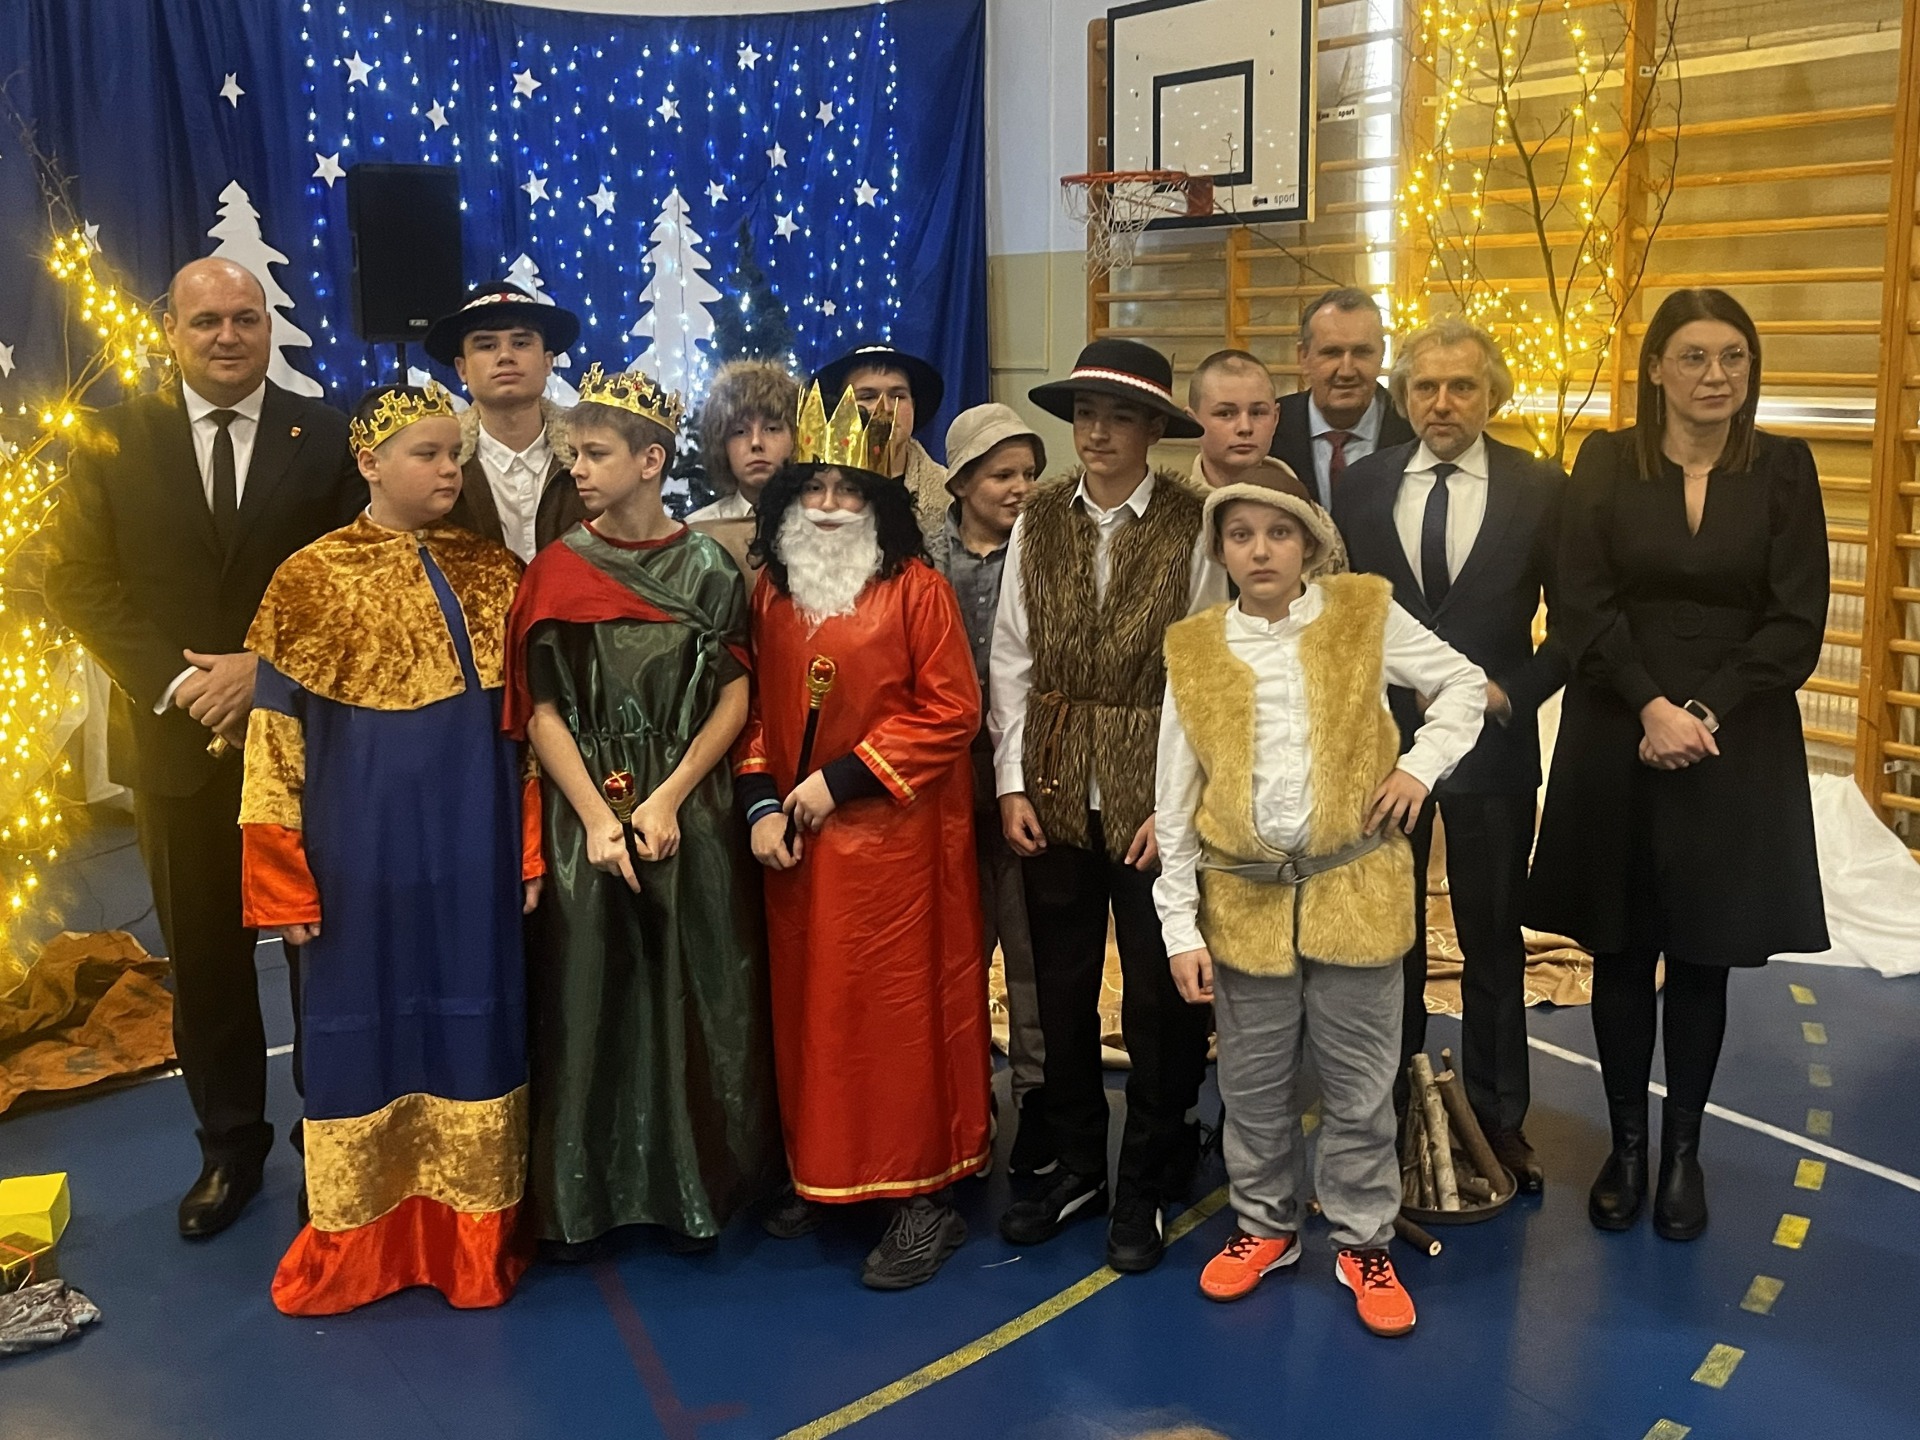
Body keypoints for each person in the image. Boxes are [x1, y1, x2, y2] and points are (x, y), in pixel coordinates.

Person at [45, 257, 364, 1239]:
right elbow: (76, 579)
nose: (228, 336)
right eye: (207, 321)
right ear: (172, 334)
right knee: (208, 960)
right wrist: (186, 684)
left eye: (245, 318)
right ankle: (230, 1147)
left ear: (267, 327)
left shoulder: (327, 437)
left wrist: (262, 669)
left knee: (323, 954)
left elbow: (356, 574)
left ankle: (330, 1144)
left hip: (308, 745)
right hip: (177, 748)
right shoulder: (110, 439)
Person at [1529, 288, 1829, 1242]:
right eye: (1694, 356)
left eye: (1733, 357)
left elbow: (1797, 618)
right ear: (1656, 366)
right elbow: (1580, 598)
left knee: (1704, 954)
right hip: (1618, 724)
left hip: (1734, 740)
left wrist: (1705, 712)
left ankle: (1683, 1154)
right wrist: (1651, 705)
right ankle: (1626, 1148)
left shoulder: (1784, 467)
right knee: (1620, 949)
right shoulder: (1606, 460)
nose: (1715, 375)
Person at [1155, 470, 1485, 1336]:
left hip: (1356, 891)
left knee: (1360, 1087)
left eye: (1279, 533)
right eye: (1241, 535)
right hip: (1246, 903)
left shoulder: (1362, 614)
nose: (1260, 551)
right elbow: (1173, 799)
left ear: (1309, 543)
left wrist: (1419, 767)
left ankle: (1362, 1238)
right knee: (1253, 1085)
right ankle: (1265, 1226)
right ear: (1220, 549)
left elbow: (1463, 685)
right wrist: (1179, 925)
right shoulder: (1193, 648)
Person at [239, 383, 538, 1314]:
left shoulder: (496, 574)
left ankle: (473, 1241)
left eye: (456, 454)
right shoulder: (306, 581)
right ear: (370, 463)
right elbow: (273, 747)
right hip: (356, 860)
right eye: (428, 454)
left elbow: (531, 733)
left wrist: (530, 850)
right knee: (358, 1034)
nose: (450, 470)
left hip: (473, 849)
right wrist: (280, 880)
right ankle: (359, 1242)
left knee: (475, 1023)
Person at [504, 364, 782, 1253]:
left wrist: (668, 798)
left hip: (686, 808)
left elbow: (735, 696)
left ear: (650, 461)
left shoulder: (708, 568)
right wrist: (594, 817)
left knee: (695, 989)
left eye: (594, 453)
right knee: (590, 994)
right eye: (573, 453)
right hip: (585, 805)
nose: (577, 469)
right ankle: (584, 1197)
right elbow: (542, 710)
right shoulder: (556, 571)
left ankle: (697, 1184)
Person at [734, 383, 991, 1290]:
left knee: (896, 1022)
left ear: (879, 499)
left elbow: (951, 711)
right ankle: (827, 1169)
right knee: (813, 1019)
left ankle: (922, 1195)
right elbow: (753, 713)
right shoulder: (772, 595)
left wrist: (837, 782)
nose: (830, 504)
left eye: (849, 489)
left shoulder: (917, 590)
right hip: (800, 856)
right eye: (814, 487)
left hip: (897, 853)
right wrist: (761, 804)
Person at [989, 338, 1214, 1274]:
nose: (1098, 432)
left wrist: (1181, 805)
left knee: (1158, 998)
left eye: (1120, 416)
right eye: (1085, 414)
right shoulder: (1038, 518)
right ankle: (1080, 1162)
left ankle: (1149, 1178)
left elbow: (1204, 670)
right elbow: (1012, 656)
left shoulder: (1195, 524)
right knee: (1063, 985)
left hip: (1152, 790)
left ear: (1154, 429)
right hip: (1053, 783)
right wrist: (1011, 780)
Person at [1335, 318, 1568, 1192]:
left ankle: (1499, 1123)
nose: (1442, 403)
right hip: (1385, 749)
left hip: (1493, 747)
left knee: (1492, 940)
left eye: (1462, 386)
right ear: (1403, 396)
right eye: (1425, 387)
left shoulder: (1541, 488)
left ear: (1492, 395)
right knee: (1387, 942)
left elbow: (1576, 624)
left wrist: (1509, 693)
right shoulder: (1361, 487)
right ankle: (1392, 1110)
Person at [929, 402, 1052, 1176]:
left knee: (1030, 939)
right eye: (1003, 474)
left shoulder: (1045, 553)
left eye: (1029, 474)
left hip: (1024, 773)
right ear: (963, 481)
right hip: (941, 779)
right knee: (954, 946)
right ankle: (961, 1091)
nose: (1020, 488)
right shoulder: (921, 555)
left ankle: (1038, 1093)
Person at [426, 281, 587, 561]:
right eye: (486, 345)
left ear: (548, 362)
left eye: (521, 343)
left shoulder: (590, 458)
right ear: (462, 369)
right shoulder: (439, 469)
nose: (505, 356)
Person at [1271, 288, 1415, 510]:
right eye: (1332, 352)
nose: (1347, 371)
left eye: (1362, 352)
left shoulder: (1414, 429)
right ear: (1304, 357)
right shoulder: (1269, 429)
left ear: (1382, 354)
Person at [813, 342, 949, 537]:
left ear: (913, 405)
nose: (885, 408)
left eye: (898, 396)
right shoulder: (810, 492)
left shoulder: (949, 496)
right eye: (868, 397)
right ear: (839, 410)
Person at [686, 359, 799, 522]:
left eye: (771, 429)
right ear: (721, 446)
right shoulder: (701, 528)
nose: (756, 443)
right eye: (740, 432)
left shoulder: (821, 524)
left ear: (796, 437)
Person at [1185, 349, 1287, 491]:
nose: (1245, 427)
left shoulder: (1305, 503)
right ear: (1193, 423)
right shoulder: (1167, 505)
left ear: (1275, 419)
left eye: (1257, 413)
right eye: (1225, 414)